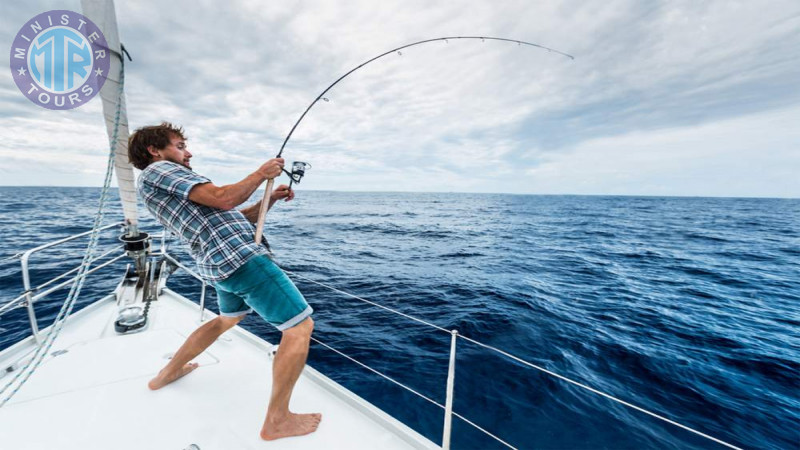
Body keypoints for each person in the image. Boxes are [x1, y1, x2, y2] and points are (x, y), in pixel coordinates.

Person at [128, 122, 321, 440]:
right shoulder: (160, 170)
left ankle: (168, 372)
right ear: (154, 150)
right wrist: (262, 173)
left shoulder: (160, 182)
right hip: (241, 261)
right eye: (179, 145)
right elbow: (223, 198)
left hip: (219, 264)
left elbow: (230, 216)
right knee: (300, 327)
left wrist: (267, 200)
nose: (187, 153)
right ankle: (277, 420)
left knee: (226, 320)